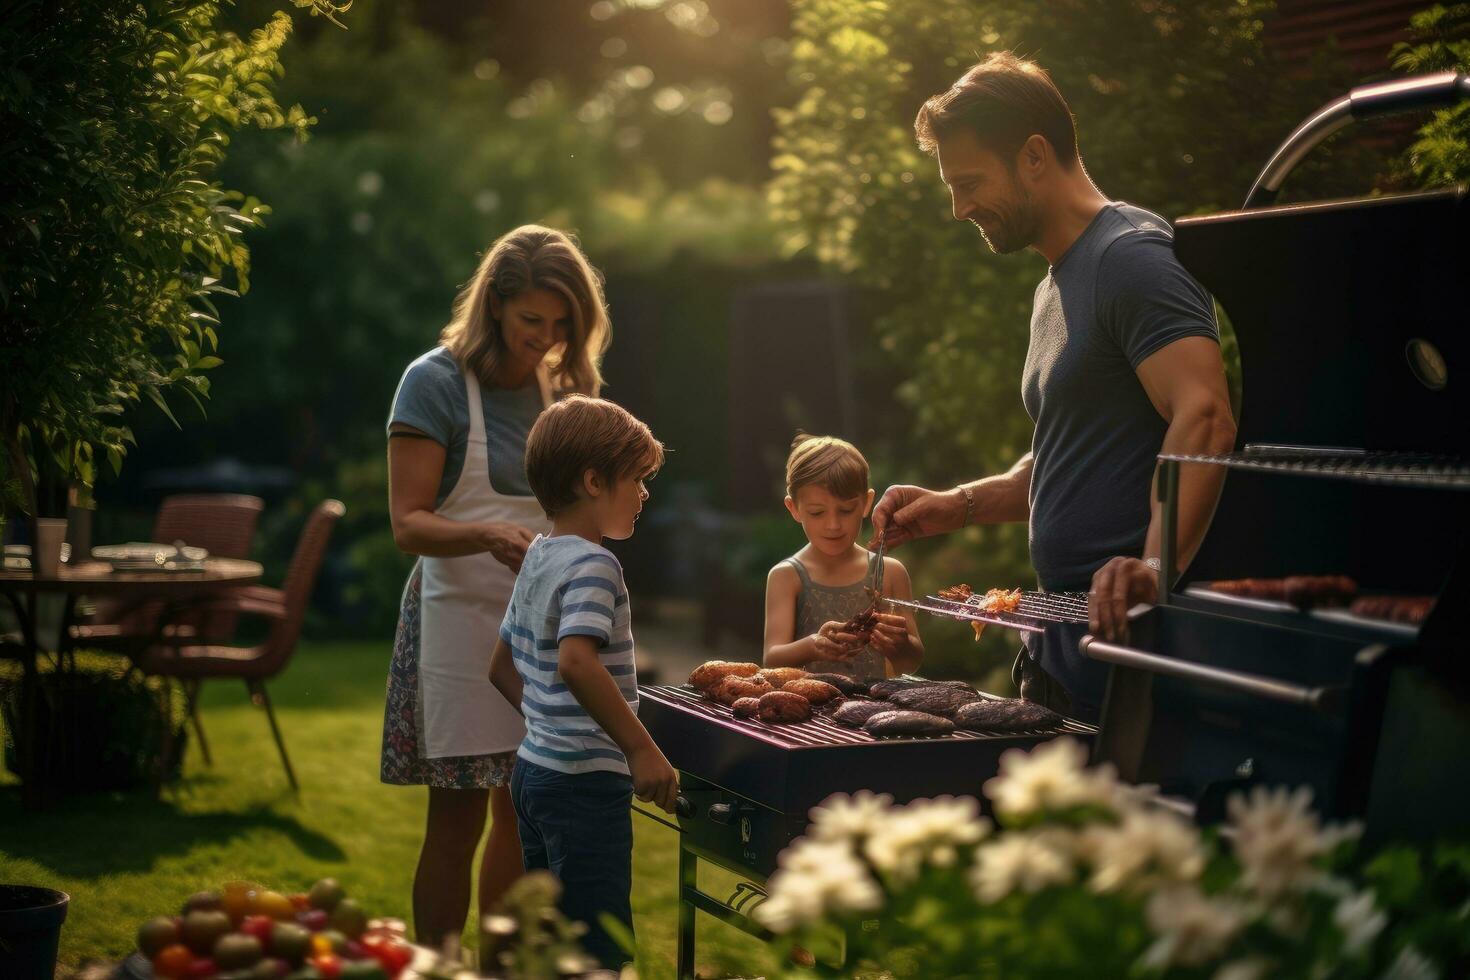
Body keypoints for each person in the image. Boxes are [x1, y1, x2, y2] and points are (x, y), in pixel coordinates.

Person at [872, 53, 1237, 721]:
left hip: (1133, 657)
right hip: (1060, 647)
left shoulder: (1131, 258)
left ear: (1035, 156)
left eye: (971, 182)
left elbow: (1205, 413)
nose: (959, 208)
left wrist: (1152, 570)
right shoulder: (1055, 285)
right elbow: (1075, 456)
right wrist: (961, 504)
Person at [382, 225, 612, 950]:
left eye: (561, 323)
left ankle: (503, 971)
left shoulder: (565, 391)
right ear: (495, 308)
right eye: (530, 321)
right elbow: (408, 524)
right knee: (455, 820)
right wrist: (486, 534)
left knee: (524, 809)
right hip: (454, 620)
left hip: (537, 626)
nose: (544, 339)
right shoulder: (435, 382)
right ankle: (441, 966)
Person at [488, 395, 678, 970]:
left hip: (533, 775)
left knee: (549, 948)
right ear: (594, 481)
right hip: (581, 791)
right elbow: (577, 662)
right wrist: (641, 750)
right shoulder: (595, 564)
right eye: (637, 479)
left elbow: (500, 667)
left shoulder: (539, 556)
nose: (645, 493)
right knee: (596, 952)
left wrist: (550, 728)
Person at [764, 433, 923, 681]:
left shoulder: (890, 573)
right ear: (793, 508)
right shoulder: (787, 576)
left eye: (846, 510)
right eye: (817, 513)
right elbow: (771, 659)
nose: (833, 525)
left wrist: (900, 644)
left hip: (876, 711)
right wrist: (812, 646)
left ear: (866, 503)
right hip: (808, 713)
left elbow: (910, 663)